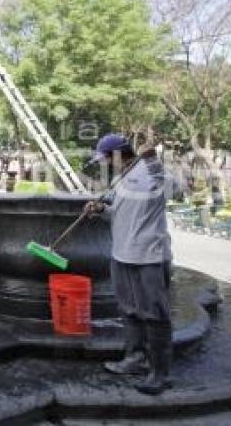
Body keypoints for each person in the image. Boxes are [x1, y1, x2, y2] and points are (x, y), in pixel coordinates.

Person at [84, 134, 175, 395]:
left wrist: (153, 161)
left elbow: (173, 188)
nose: (105, 164)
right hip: (121, 254)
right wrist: (101, 211)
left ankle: (160, 373)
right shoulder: (119, 180)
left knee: (155, 315)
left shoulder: (154, 174)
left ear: (117, 154)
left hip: (149, 256)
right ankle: (135, 359)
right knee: (129, 310)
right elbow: (120, 215)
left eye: (106, 159)